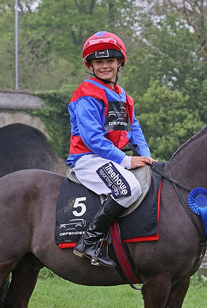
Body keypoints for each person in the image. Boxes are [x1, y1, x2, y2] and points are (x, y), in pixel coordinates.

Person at [66, 31, 154, 268]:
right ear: (91, 65)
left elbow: (135, 130)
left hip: (110, 160)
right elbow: (92, 138)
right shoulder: (86, 93)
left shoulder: (125, 97)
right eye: (99, 62)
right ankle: (89, 242)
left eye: (109, 61)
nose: (105, 66)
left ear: (119, 63)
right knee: (127, 189)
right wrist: (126, 161)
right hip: (89, 159)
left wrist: (145, 157)